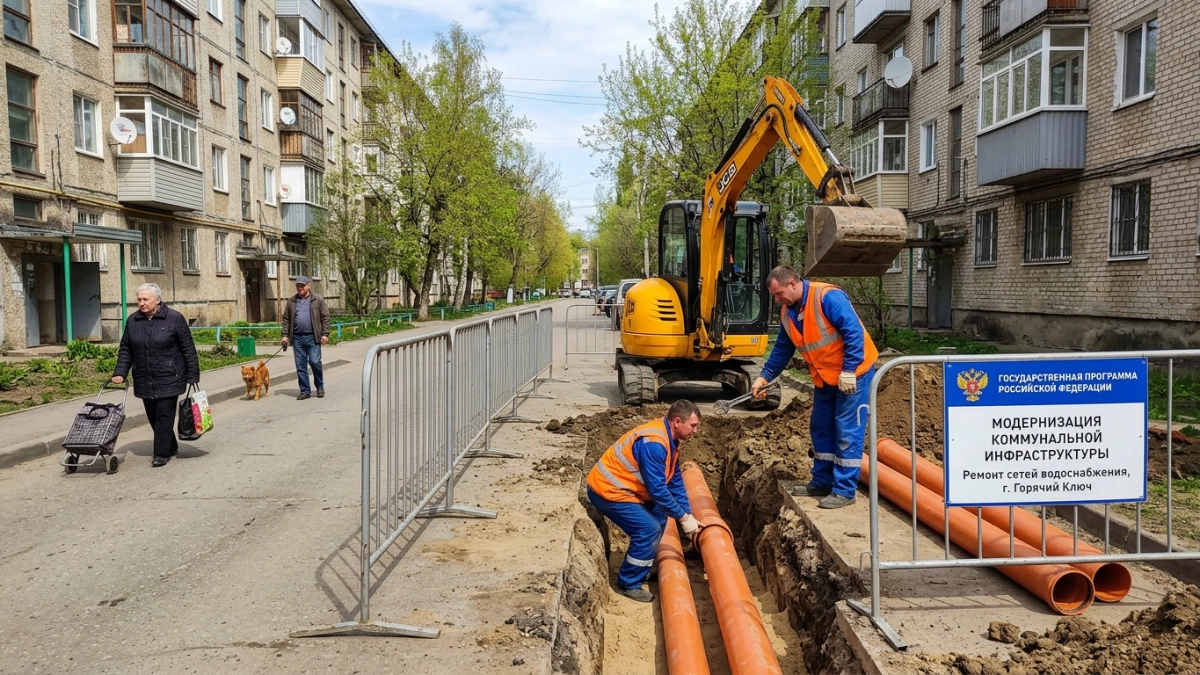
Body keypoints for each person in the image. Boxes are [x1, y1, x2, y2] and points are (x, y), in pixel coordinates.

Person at [751, 265, 878, 509]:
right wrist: (764, 377)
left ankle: (844, 490)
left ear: (792, 283)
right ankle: (822, 481)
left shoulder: (827, 297)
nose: (778, 300)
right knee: (820, 425)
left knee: (847, 429)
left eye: (779, 294)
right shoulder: (788, 313)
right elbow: (782, 350)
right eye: (774, 296)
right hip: (826, 377)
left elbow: (853, 333)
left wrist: (849, 371)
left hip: (855, 374)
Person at [586, 399, 703, 602]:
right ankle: (628, 582)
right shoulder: (655, 444)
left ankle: (643, 567)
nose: (696, 431)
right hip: (608, 491)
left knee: (660, 516)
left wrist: (688, 513)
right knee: (648, 529)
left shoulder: (670, 440)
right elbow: (657, 490)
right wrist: (683, 518)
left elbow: (674, 481)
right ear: (677, 422)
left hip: (628, 489)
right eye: (693, 425)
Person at [112, 283, 200, 468]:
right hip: (144, 377)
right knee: (153, 416)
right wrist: (120, 372)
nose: (142, 303)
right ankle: (171, 444)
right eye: (139, 300)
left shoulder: (174, 319)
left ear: (157, 300)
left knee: (163, 414)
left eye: (146, 299)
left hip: (170, 375)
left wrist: (192, 375)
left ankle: (161, 453)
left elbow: (188, 349)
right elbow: (126, 349)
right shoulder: (133, 321)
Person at [281, 275, 330, 401]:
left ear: (308, 285)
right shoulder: (292, 301)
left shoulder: (317, 300)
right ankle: (305, 391)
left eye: (302, 285)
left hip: (313, 337)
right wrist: (285, 335)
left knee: (315, 362)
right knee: (300, 366)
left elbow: (325, 317)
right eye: (298, 286)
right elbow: (286, 319)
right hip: (297, 338)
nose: (300, 288)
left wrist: (325, 334)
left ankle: (319, 387)